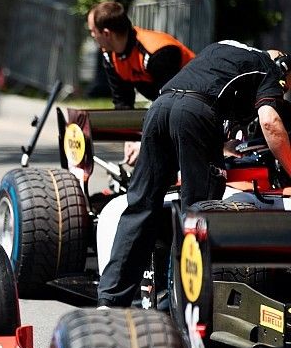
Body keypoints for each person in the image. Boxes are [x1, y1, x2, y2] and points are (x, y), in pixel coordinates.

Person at [97, 42, 291, 309]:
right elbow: (270, 122)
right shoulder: (268, 67)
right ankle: (183, 303)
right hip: (193, 114)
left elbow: (193, 97)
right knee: (199, 215)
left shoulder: (223, 51)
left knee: (141, 206)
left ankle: (110, 300)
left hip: (159, 110)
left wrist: (220, 147)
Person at [87, 1, 195, 164]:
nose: (92, 36)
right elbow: (123, 101)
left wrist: (145, 141)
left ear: (107, 33)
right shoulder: (110, 55)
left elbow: (172, 105)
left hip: (196, 101)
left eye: (93, 31)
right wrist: (130, 138)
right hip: (171, 105)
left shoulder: (157, 53)